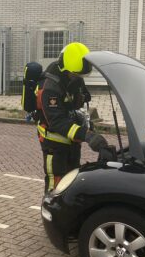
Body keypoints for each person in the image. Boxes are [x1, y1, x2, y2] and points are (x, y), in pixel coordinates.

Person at [35, 42, 107, 193]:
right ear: (65, 69)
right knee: (56, 185)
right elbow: (57, 122)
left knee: (72, 180)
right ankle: (50, 214)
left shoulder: (73, 76)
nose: (78, 78)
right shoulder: (49, 88)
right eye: (76, 75)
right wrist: (86, 135)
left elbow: (77, 104)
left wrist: (86, 125)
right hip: (54, 145)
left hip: (72, 142)